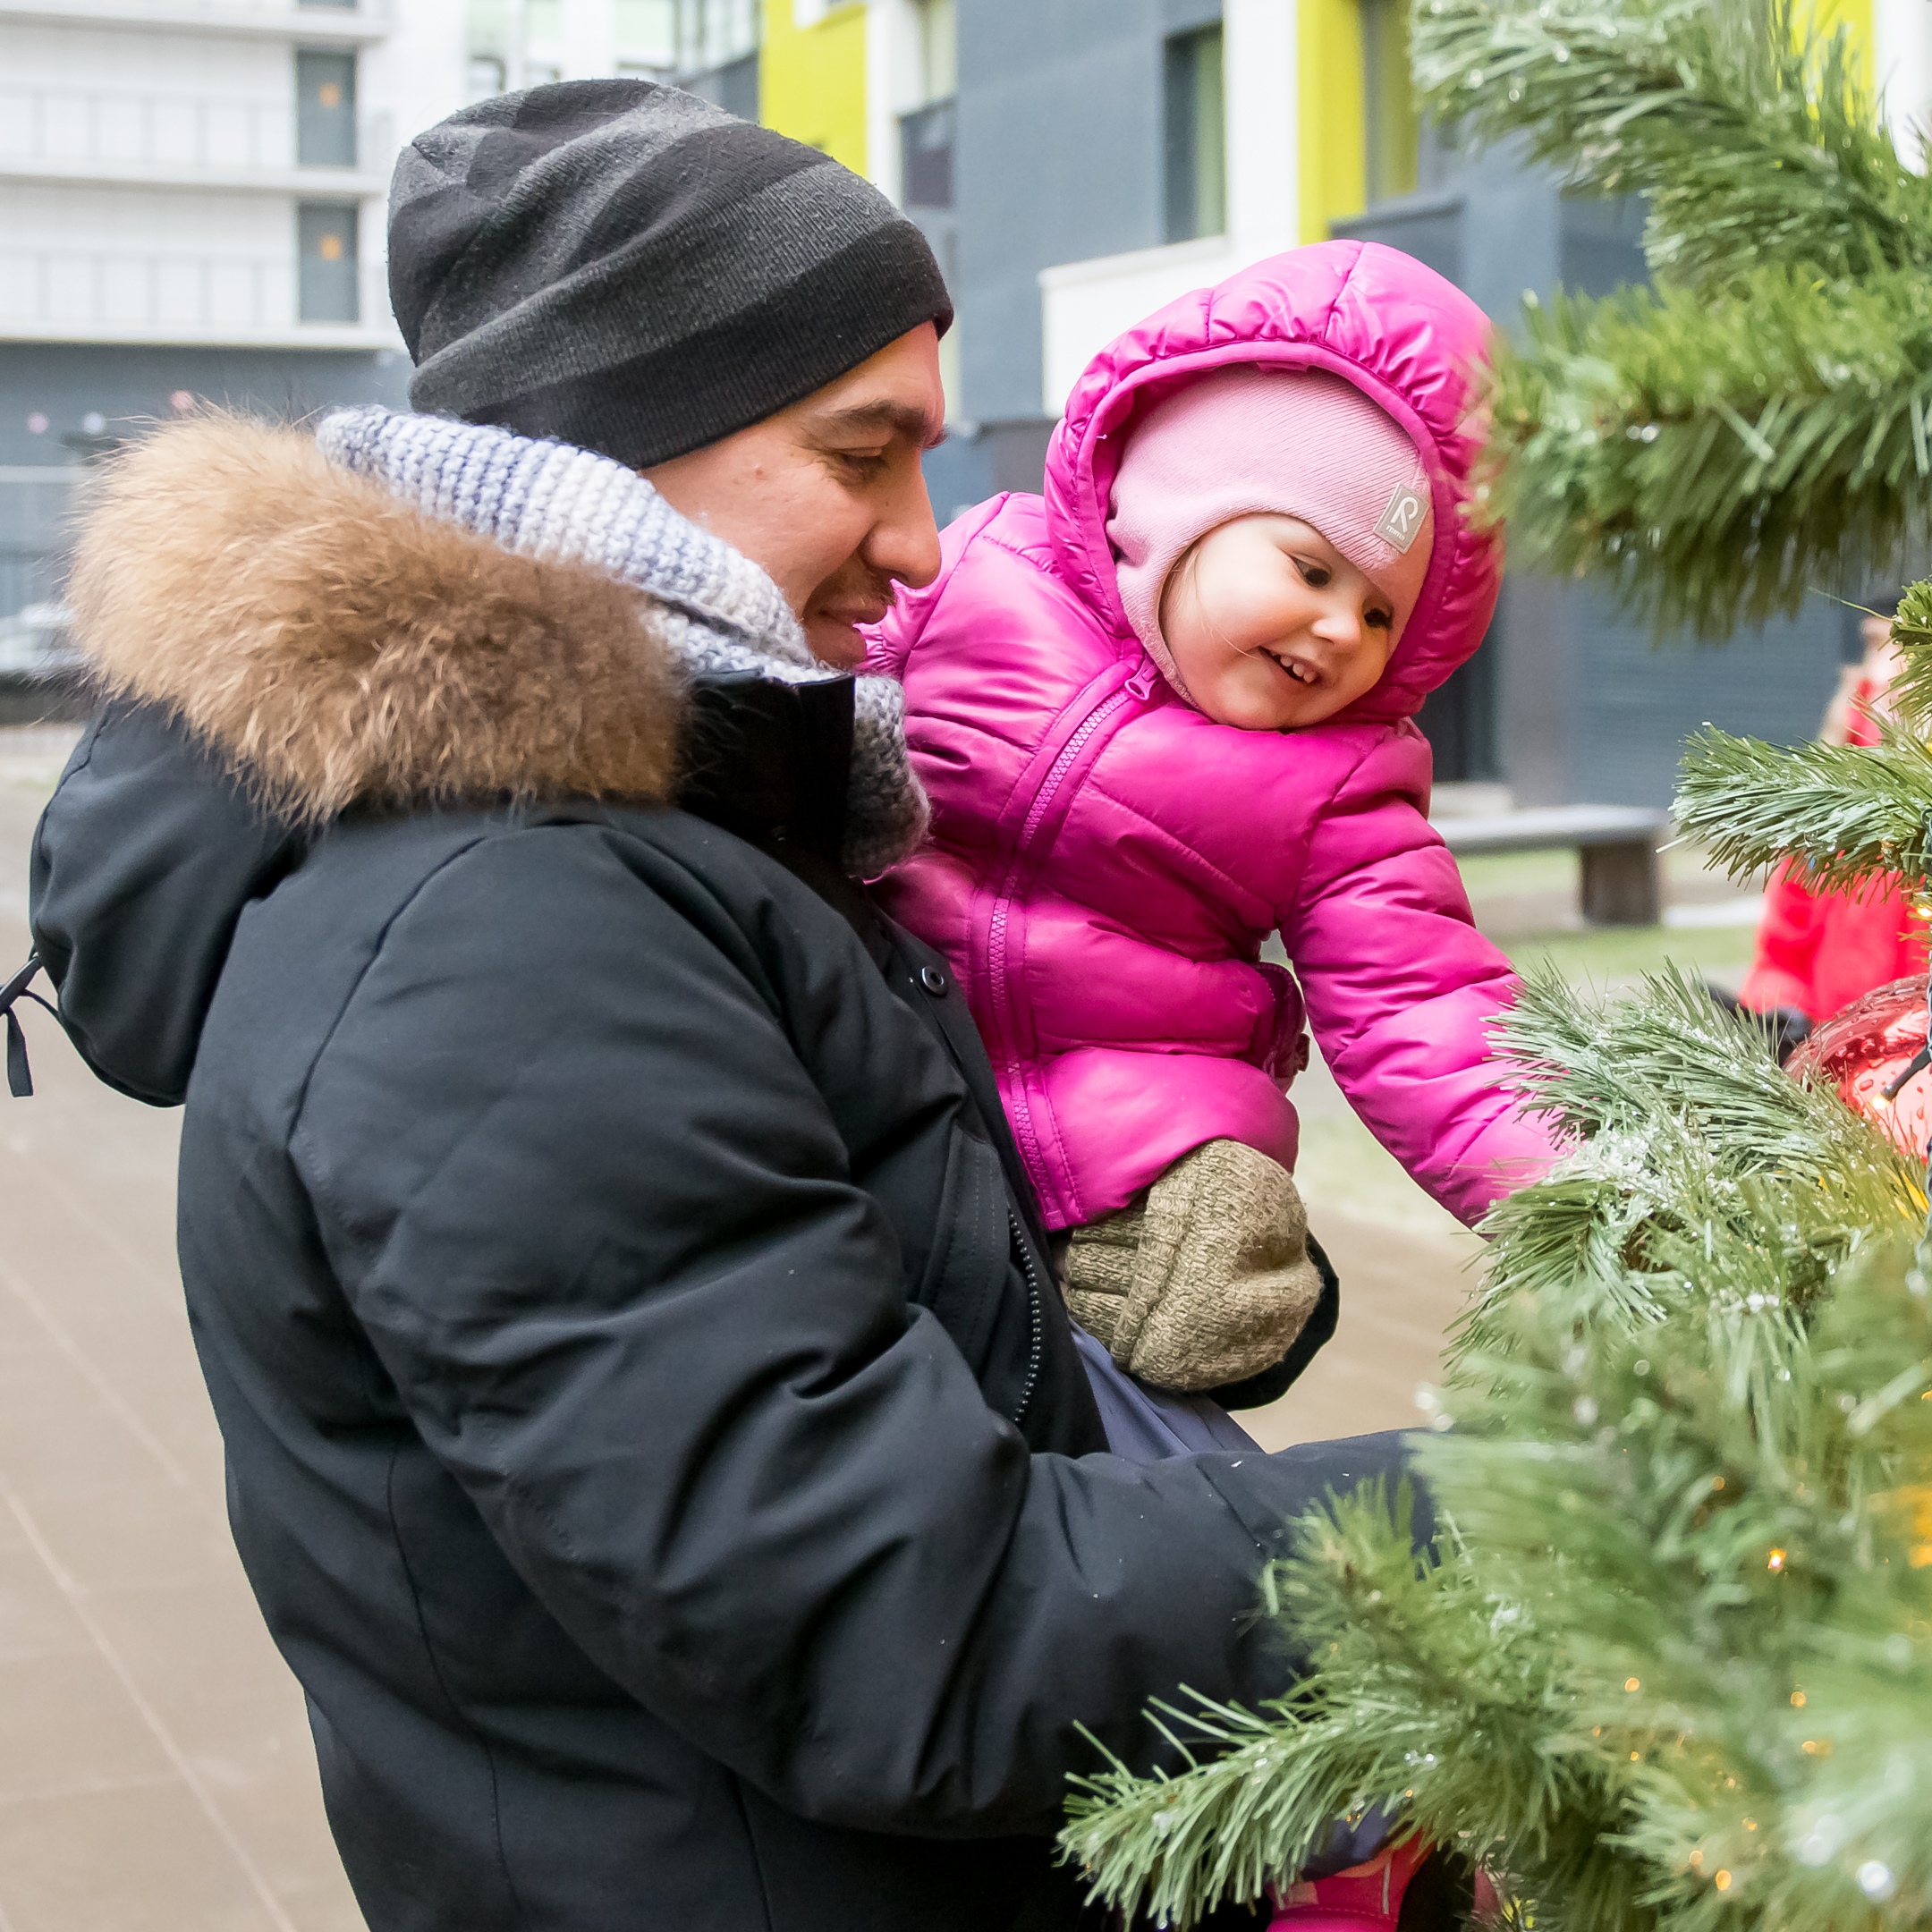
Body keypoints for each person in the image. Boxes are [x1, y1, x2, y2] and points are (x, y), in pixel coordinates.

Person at [15, 85, 1454, 1931]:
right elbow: (907, 1633)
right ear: (616, 445)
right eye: (864, 454)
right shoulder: (511, 931)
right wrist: (1535, 1517)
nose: (927, 544)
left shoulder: (647, 843)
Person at [866, 242, 1558, 1419]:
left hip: (1135, 1118)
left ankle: (1139, 1377)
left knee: (1220, 1243)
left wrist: (1576, 1191)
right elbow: (836, 672)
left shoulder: (1344, 782)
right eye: (1309, 566)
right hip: (892, 1034)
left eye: (1382, 609)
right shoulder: (980, 567)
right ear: (1184, 512)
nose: (1341, 628)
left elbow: (1424, 1009)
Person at [1735, 593, 1927, 1050]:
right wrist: (1784, 1016)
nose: (1881, 671)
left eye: (1902, 650)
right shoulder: (1828, 816)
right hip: (1829, 1061)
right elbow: (1780, 958)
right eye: (1873, 646)